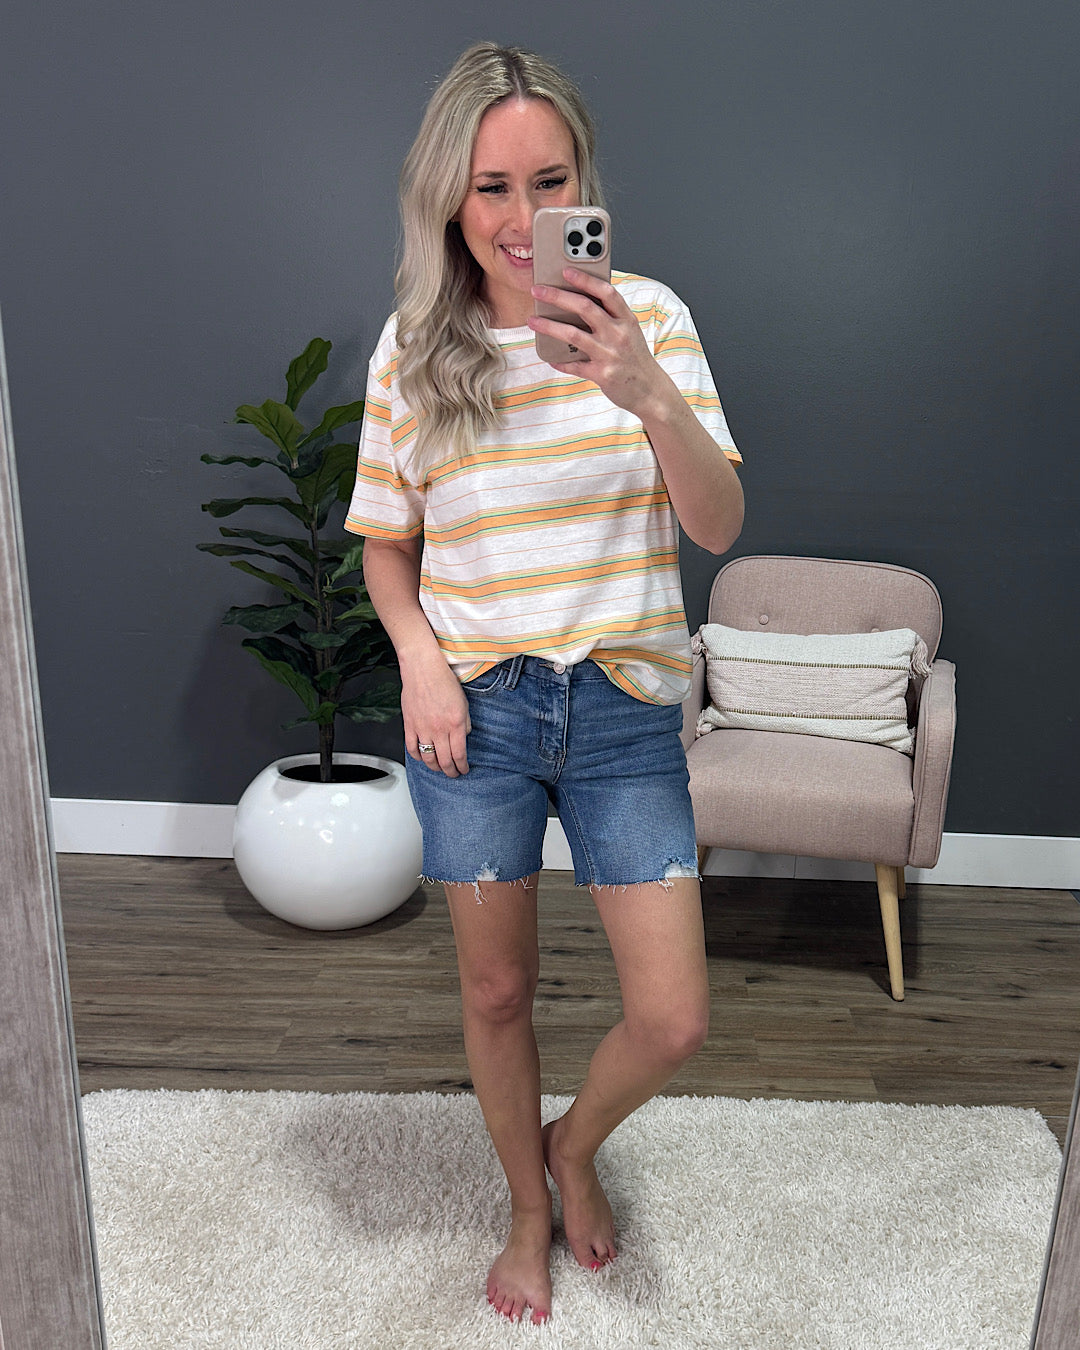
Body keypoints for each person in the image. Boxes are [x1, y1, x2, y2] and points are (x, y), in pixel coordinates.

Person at [345, 41, 744, 1326]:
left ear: (585, 185)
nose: (524, 219)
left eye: (550, 181)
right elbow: (386, 546)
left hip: (624, 708)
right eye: (492, 188)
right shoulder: (416, 347)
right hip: (480, 713)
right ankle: (527, 1204)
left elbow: (719, 524)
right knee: (497, 989)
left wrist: (645, 393)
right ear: (449, 199)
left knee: (673, 1018)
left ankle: (574, 1145)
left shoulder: (652, 321)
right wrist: (421, 665)